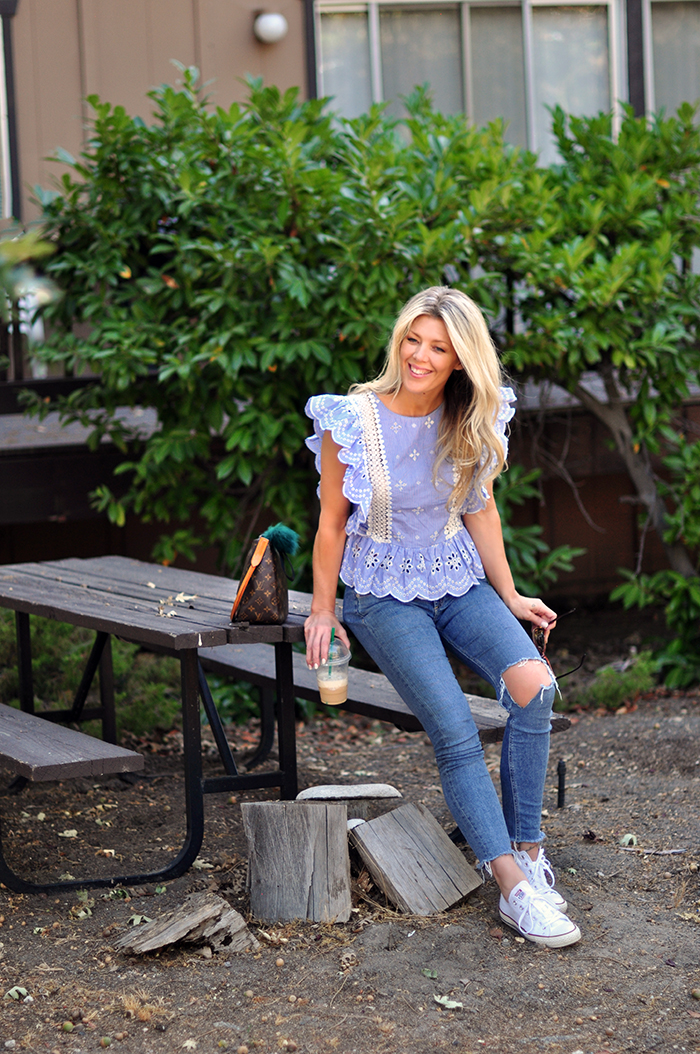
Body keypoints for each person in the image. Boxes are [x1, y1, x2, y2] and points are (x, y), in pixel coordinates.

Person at [303, 286, 581, 948]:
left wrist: (509, 595)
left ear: (461, 359)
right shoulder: (354, 419)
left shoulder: (469, 416)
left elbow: (479, 506)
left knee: (535, 687)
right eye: (413, 340)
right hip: (382, 595)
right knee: (455, 730)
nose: (421, 356)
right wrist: (322, 611)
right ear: (399, 341)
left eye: (439, 347)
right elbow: (332, 524)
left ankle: (529, 847)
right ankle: (513, 889)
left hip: (457, 581)